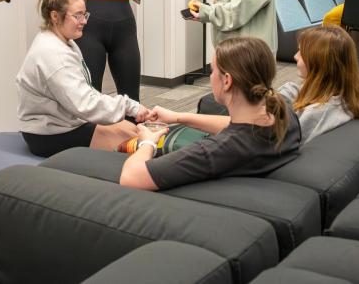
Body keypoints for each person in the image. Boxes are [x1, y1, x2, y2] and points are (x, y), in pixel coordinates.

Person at [119, 37, 301, 191]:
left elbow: (131, 177)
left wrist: (147, 142)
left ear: (227, 81)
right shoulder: (285, 112)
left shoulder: (216, 150)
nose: (211, 76)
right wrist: (178, 117)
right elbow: (236, 124)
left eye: (213, 70)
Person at [17, 0, 151, 157]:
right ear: (55, 16)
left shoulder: (64, 42)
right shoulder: (54, 54)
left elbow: (85, 93)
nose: (84, 21)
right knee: (136, 144)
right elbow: (86, 104)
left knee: (129, 128)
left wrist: (125, 110)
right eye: (77, 15)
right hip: (48, 135)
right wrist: (130, 106)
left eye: (84, 14)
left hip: (65, 123)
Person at [278, 26, 359, 143]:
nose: (295, 56)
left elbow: (286, 145)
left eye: (301, 52)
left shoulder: (316, 114)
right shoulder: (344, 97)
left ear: (319, 62)